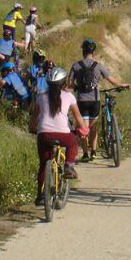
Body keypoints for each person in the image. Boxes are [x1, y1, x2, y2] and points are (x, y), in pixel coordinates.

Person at [29, 66, 89, 206]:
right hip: (63, 134)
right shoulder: (69, 96)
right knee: (72, 142)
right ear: (64, 83)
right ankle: (68, 165)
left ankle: (40, 196)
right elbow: (78, 118)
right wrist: (84, 129)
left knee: (44, 165)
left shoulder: (41, 97)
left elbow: (33, 119)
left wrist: (32, 129)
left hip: (44, 134)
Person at [68, 38, 129, 162]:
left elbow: (70, 85)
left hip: (81, 100)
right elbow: (112, 80)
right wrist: (121, 84)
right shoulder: (98, 66)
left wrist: (78, 86)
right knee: (93, 127)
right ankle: (94, 152)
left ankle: (85, 154)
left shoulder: (75, 66)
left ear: (83, 51)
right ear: (93, 52)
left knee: (84, 128)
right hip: (94, 100)